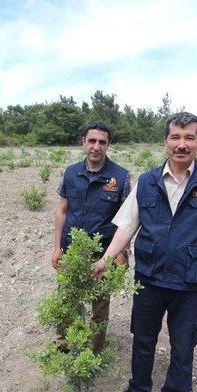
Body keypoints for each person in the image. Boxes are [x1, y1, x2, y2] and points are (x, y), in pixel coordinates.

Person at [92, 112, 197, 392]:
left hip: (190, 281)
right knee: (143, 337)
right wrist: (106, 258)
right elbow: (126, 226)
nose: (182, 144)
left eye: (189, 138)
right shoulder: (147, 181)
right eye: (176, 137)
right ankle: (138, 389)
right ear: (166, 141)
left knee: (183, 344)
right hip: (149, 277)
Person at [52, 120, 131, 353]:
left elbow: (127, 220)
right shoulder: (70, 173)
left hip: (103, 254)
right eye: (92, 141)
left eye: (102, 142)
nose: (96, 146)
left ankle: (93, 352)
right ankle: (65, 346)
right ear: (84, 142)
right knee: (68, 300)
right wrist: (56, 247)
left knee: (99, 306)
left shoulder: (121, 177)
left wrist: (123, 253)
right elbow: (62, 211)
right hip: (71, 251)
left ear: (108, 145)